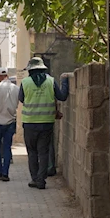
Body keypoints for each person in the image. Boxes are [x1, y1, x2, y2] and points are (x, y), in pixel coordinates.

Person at [19, 57, 69, 189]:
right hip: (46, 123)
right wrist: (64, 81)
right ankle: (41, 180)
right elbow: (62, 96)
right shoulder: (51, 81)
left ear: (30, 70)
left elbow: (22, 99)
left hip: (29, 123)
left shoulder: (25, 82)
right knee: (43, 152)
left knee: (32, 152)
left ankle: (35, 179)